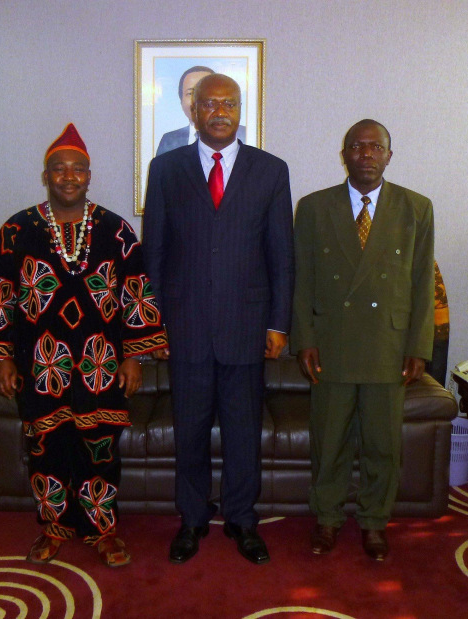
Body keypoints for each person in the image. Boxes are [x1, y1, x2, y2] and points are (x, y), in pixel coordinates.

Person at [0, 124, 167, 567]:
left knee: (100, 448)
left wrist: (134, 357)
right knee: (46, 448)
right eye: (58, 169)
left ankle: (103, 530)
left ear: (89, 175)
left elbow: (135, 293)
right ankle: (54, 526)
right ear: (46, 176)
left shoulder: (117, 230)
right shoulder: (16, 230)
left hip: (100, 363)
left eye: (78, 169)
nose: (68, 176)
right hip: (42, 364)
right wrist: (0, 358)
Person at [143, 74, 294, 565]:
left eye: (229, 103)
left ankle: (242, 520)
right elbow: (155, 255)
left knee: (243, 433)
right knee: (189, 432)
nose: (220, 111)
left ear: (239, 109)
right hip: (184, 330)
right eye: (210, 104)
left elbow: (281, 256)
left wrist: (278, 324)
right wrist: (153, 324)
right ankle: (191, 520)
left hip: (246, 329)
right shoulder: (165, 170)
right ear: (194, 111)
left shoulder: (270, 171)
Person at [291, 119, 434, 561]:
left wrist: (418, 347)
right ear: (344, 154)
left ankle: (374, 522)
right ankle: (328, 519)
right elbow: (303, 281)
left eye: (376, 146)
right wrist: (305, 339)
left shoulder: (416, 208)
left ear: (390, 155)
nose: (366, 153)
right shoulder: (313, 208)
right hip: (331, 344)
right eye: (357, 146)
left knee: (381, 444)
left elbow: (421, 282)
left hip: (387, 346)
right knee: (329, 440)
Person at [155, 66, 246, 156]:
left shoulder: (260, 163)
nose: (220, 113)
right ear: (194, 109)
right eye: (209, 104)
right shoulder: (165, 162)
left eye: (229, 105)